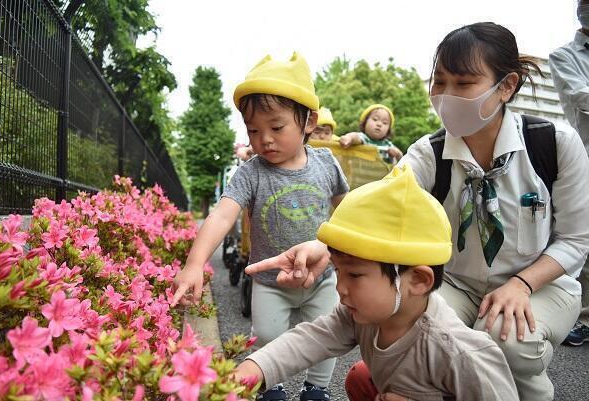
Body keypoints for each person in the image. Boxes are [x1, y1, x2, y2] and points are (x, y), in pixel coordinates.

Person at [246, 23, 589, 401]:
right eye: (439, 82)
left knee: (505, 339)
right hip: (459, 285)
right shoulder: (429, 153)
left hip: (542, 284)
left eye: (463, 84)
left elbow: (576, 239)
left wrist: (521, 285)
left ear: (506, 86)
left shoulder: (554, 144)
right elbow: (377, 210)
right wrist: (324, 246)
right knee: (402, 322)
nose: (446, 96)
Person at [236, 165, 519, 401]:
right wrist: (251, 370)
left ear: (418, 280)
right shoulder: (363, 314)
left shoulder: (459, 353)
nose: (340, 287)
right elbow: (308, 339)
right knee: (361, 378)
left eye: (355, 275)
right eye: (338, 271)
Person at [170, 52, 349, 401]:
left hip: (322, 275)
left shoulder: (327, 164)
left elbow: (348, 210)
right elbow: (222, 215)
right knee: (266, 334)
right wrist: (194, 263)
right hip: (270, 281)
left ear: (308, 122)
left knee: (329, 335)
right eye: (253, 130)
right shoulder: (251, 172)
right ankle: (273, 386)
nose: (264, 139)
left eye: (276, 127)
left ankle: (317, 389)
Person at [549, 0, 589, 346]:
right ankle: (583, 316)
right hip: (586, 156)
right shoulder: (565, 56)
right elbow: (582, 97)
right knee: (581, 238)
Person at [338, 104, 403, 163]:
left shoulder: (388, 145)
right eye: (375, 119)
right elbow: (355, 137)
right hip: (360, 175)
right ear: (365, 122)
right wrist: (348, 138)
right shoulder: (364, 138)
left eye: (385, 123)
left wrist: (397, 154)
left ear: (388, 130)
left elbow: (402, 158)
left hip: (383, 175)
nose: (379, 124)